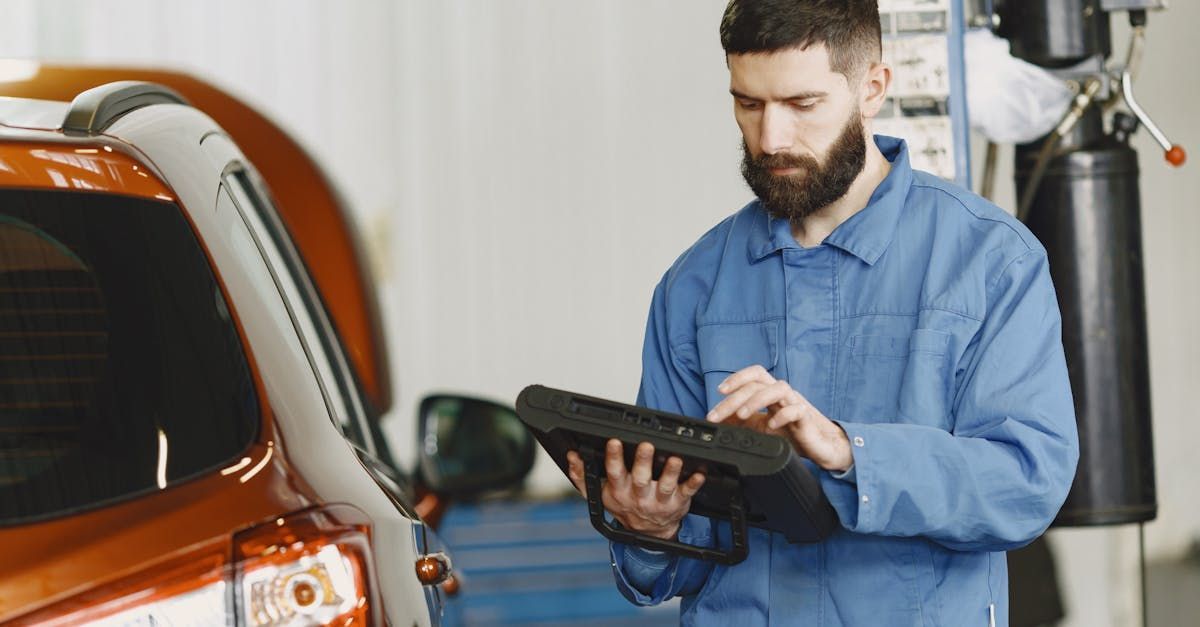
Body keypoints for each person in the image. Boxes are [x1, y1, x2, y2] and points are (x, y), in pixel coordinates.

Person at [564, 0, 1079, 624]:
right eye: (749, 104)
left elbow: (1024, 484)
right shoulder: (693, 286)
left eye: (802, 105)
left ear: (873, 88)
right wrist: (650, 525)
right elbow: (685, 553)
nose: (770, 138)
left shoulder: (990, 261)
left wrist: (846, 451)